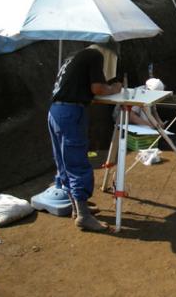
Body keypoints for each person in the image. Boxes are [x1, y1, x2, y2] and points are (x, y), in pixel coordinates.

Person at [48, 40, 122, 232]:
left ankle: (76, 206)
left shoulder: (74, 56)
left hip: (56, 112)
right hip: (71, 113)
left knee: (64, 162)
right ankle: (83, 215)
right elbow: (97, 88)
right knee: (77, 161)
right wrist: (114, 89)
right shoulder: (95, 56)